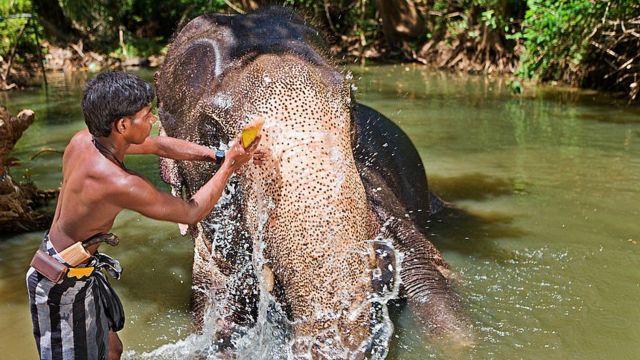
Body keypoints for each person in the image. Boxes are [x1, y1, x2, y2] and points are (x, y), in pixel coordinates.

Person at [26, 71, 263, 360]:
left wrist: (220, 154)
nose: (152, 121)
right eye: (147, 115)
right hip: (60, 284)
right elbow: (191, 212)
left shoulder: (85, 140)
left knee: (112, 350)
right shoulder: (118, 183)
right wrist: (230, 168)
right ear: (123, 125)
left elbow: (160, 146)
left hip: (69, 265)